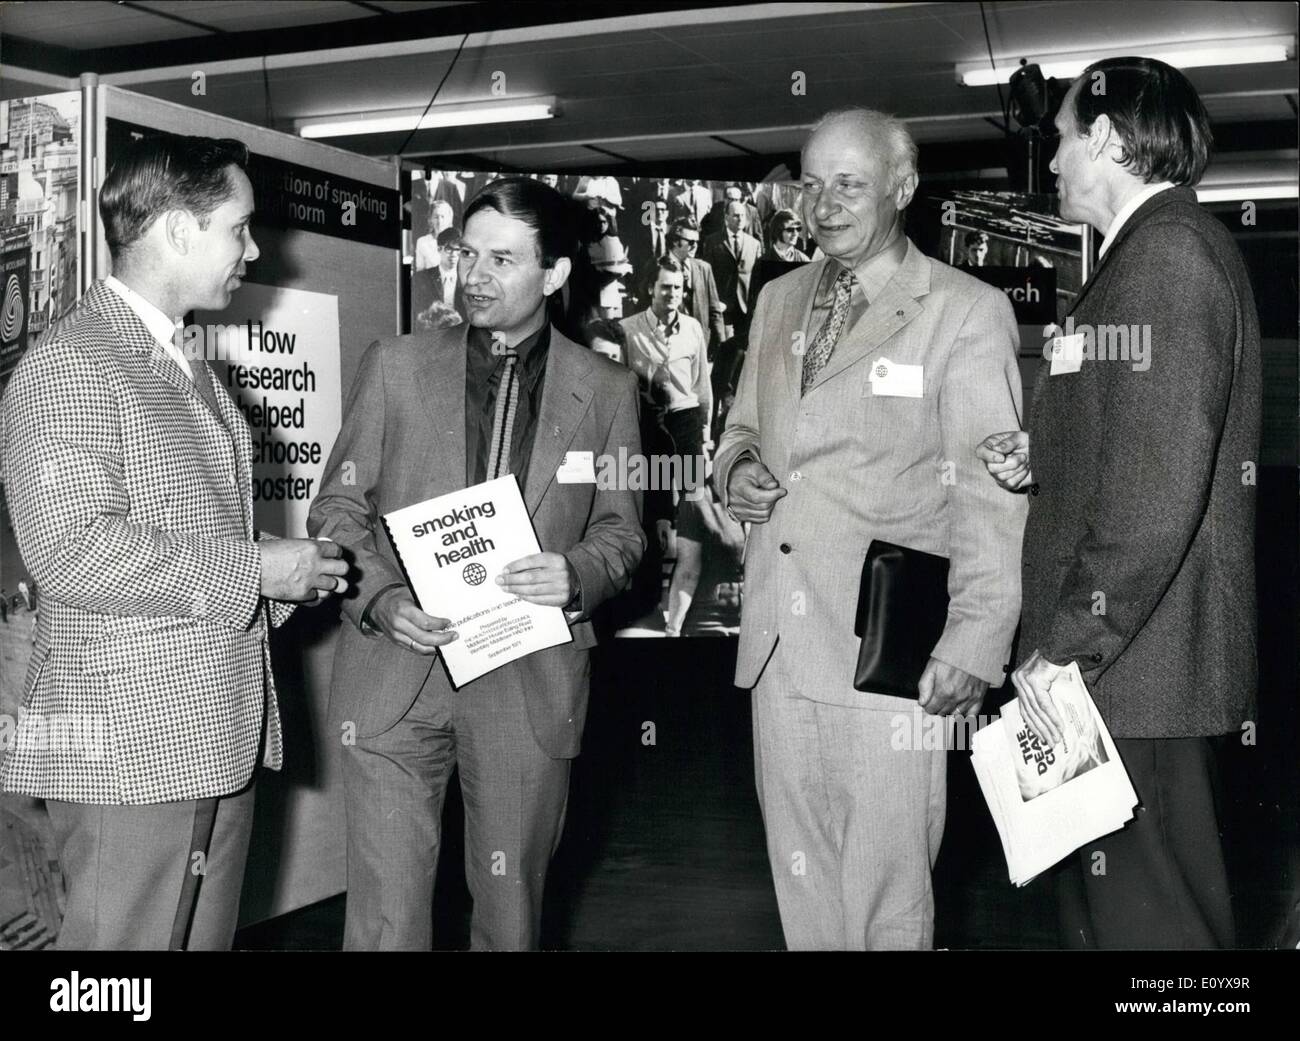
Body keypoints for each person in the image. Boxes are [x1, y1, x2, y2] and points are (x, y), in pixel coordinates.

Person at [0, 133, 348, 950]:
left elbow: (179, 536)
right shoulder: (73, 363)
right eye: (240, 226)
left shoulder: (177, 362)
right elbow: (73, 547)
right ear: (177, 231)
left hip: (204, 739)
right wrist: (255, 566)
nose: (254, 249)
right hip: (127, 748)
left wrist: (285, 577)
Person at [714, 108, 1026, 950]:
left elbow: (994, 496)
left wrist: (974, 641)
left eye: (848, 183)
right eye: (811, 184)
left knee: (888, 901)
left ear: (902, 187)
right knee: (803, 886)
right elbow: (741, 427)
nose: (823, 204)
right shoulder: (778, 298)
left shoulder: (965, 311)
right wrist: (735, 468)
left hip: (890, 656)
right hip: (780, 645)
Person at [308, 176, 644, 951]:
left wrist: (578, 573)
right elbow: (338, 509)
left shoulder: (608, 391)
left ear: (555, 274)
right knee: (387, 918)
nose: (476, 276)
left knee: (510, 915)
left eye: (503, 259)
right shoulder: (393, 365)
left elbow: (624, 534)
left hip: (525, 677)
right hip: (395, 669)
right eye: (467, 253)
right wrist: (381, 598)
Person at [978, 56, 1261, 950]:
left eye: (1061, 138)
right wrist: (1047, 456)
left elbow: (1153, 500)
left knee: (1157, 940)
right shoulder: (1145, 256)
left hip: (1134, 675)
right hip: (1134, 669)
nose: (1052, 162)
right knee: (1119, 927)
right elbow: (1144, 445)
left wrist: (1061, 649)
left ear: (1104, 138)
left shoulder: (1167, 259)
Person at [702, 200, 761, 342]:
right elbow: (706, 276)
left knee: (743, 349)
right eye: (735, 215)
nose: (740, 219)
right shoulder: (712, 242)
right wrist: (715, 302)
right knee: (724, 347)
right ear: (726, 218)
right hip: (722, 305)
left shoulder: (754, 244)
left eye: (742, 215)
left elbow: (758, 277)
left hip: (745, 306)